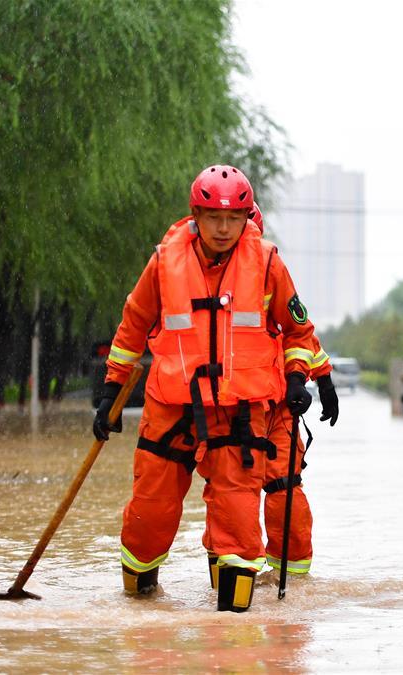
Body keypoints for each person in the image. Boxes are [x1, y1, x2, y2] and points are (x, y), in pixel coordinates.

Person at [93, 164, 319, 612]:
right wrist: (110, 395)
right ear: (195, 214)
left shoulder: (268, 262)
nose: (223, 228)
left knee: (237, 520)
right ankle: (139, 612)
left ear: (245, 218)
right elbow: (132, 328)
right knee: (148, 513)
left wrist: (298, 378)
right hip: (171, 405)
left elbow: (297, 332)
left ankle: (235, 634)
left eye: (233, 219)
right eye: (213, 217)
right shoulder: (164, 261)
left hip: (240, 411)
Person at [252, 203, 339, 576]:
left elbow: (299, 333)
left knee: (285, 487)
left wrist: (323, 380)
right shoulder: (197, 280)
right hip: (232, 405)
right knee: (229, 493)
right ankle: (229, 579)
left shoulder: (271, 272)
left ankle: (292, 582)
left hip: (279, 402)